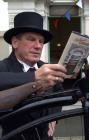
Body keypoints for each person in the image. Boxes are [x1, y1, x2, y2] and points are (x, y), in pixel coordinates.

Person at [0, 11, 67, 140]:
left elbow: (59, 92)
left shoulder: (46, 68)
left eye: (41, 41)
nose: (38, 46)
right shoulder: (3, 67)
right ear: (15, 43)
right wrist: (34, 77)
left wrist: (54, 116)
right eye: (31, 39)